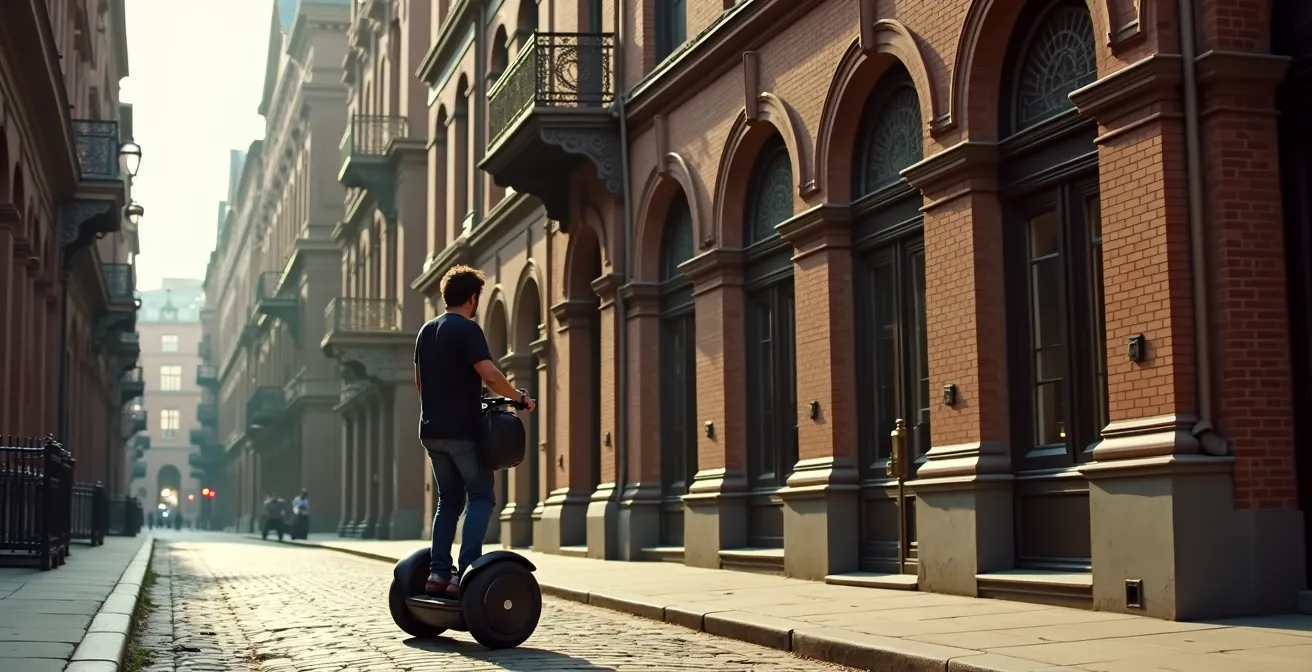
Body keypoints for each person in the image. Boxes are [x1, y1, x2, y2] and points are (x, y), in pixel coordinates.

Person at [414, 265, 536, 599]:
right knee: (481, 496)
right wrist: (519, 398)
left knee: (448, 501)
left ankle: (438, 573)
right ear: (472, 298)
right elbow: (490, 375)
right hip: (462, 431)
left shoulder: (425, 331)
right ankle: (467, 571)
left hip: (431, 430)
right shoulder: (468, 329)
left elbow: (421, 383)